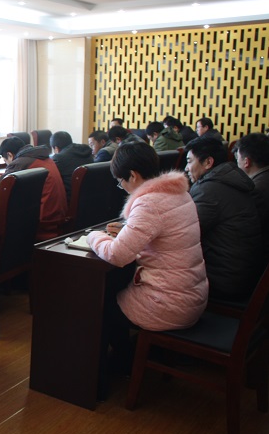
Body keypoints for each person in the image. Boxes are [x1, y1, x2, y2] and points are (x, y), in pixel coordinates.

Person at [86, 142, 208, 393]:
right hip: (192, 294)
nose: (122, 187)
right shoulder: (179, 193)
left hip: (169, 303)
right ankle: (126, 360)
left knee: (98, 305)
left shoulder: (149, 203)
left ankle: (117, 368)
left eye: (120, 181)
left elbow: (117, 255)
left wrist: (93, 236)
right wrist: (128, 231)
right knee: (110, 291)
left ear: (133, 175)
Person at [186, 136, 263, 299]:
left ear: (208, 162)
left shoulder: (209, 189)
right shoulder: (229, 180)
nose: (186, 168)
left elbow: (185, 234)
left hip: (223, 280)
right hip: (242, 274)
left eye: (189, 161)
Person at [0, 137, 67, 241]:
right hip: (58, 222)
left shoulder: (20, 162)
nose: (7, 165)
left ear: (10, 155)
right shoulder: (44, 158)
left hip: (41, 226)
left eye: (6, 161)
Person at [234, 133, 269, 258]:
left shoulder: (256, 189)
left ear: (246, 162)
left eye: (237, 158)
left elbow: (246, 230)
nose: (236, 162)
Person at [51, 130, 93, 200]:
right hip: (90, 197)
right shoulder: (86, 151)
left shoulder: (58, 159)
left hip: (71, 200)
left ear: (56, 149)